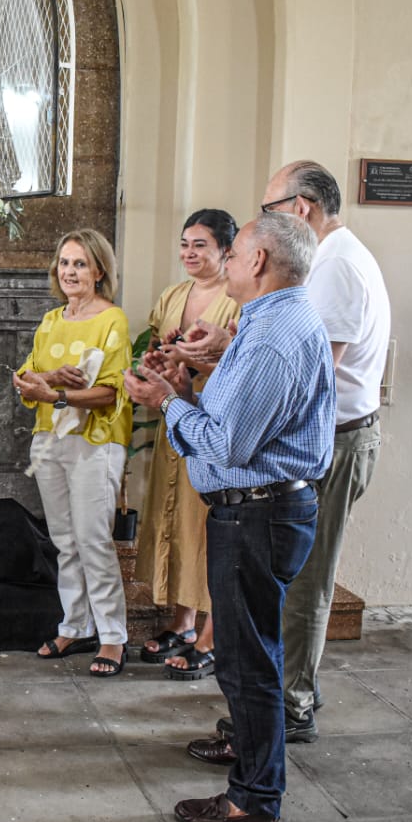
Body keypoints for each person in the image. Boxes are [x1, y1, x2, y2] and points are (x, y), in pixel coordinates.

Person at [125, 212, 335, 822]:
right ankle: (248, 750)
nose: (227, 262)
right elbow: (230, 417)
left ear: (260, 263)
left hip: (259, 511)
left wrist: (166, 402)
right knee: (251, 653)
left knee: (247, 661)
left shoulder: (273, 335)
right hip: (260, 507)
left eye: (235, 252)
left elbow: (231, 446)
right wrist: (188, 385)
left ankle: (253, 797)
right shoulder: (266, 322)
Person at [182, 161, 390, 744]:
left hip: (330, 443)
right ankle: (282, 698)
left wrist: (194, 393)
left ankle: (288, 709)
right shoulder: (324, 262)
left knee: (301, 585)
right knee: (286, 584)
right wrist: (230, 344)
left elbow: (307, 370)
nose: (259, 217)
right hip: (316, 442)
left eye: (267, 207)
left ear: (299, 209)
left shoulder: (338, 266)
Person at [14, 228, 131, 678]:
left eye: (80, 263)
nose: (70, 272)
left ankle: (114, 637)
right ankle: (75, 625)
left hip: (95, 441)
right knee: (64, 542)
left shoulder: (112, 321)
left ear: (100, 270)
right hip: (49, 438)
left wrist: (57, 392)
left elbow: (111, 392)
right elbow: (25, 377)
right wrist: (44, 378)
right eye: (64, 263)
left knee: (94, 541)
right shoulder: (51, 320)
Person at [136, 210, 240, 681]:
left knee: (207, 529)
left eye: (200, 245)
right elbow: (159, 347)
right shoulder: (173, 296)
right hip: (174, 420)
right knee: (174, 521)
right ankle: (181, 622)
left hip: (213, 423)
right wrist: (157, 361)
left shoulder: (236, 299)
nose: (189, 253)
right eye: (185, 244)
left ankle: (211, 636)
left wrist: (193, 364)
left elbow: (238, 368)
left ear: (226, 250)